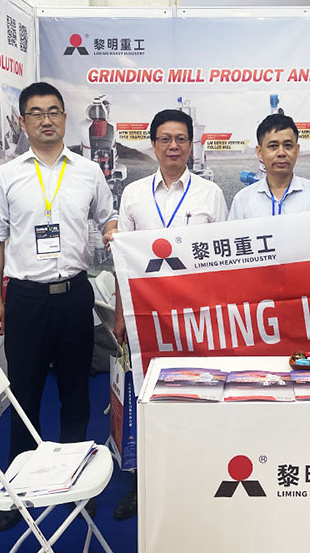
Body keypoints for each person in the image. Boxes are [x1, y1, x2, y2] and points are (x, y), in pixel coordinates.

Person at [0, 82, 118, 532]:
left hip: (75, 295)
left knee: (76, 394)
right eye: (37, 113)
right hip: (25, 299)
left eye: (54, 111)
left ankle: (76, 487)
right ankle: (17, 490)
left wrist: (115, 230)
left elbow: (107, 217)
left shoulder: (87, 172)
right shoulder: (7, 176)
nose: (46, 119)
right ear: (23, 122)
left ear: (64, 118)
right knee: (25, 395)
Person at [104, 108, 228, 520]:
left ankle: (196, 475)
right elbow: (123, 262)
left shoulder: (210, 194)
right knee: (147, 397)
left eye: (181, 139)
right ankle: (143, 482)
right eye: (165, 139)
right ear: (153, 144)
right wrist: (120, 314)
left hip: (196, 314)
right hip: (144, 314)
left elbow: (223, 264)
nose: (173, 146)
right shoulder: (134, 194)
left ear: (191, 144)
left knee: (197, 391)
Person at [229, 114, 310, 219]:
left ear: (297, 150)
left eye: (288, 145)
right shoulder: (243, 200)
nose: (281, 153)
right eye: (273, 146)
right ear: (260, 152)